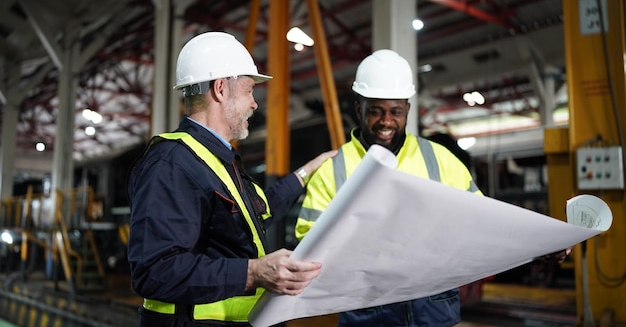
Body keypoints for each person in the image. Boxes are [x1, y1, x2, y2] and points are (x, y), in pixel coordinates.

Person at [295, 49, 570, 327]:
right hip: (368, 308)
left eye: (395, 112)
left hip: (433, 308)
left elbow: (485, 222)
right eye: (375, 111)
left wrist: (537, 246)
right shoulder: (333, 169)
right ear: (359, 110)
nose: (386, 121)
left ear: (408, 111)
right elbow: (309, 241)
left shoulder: (440, 159)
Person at [127, 31, 336, 327]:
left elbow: (255, 212)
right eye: (250, 90)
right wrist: (254, 272)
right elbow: (154, 271)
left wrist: (307, 172)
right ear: (221, 89)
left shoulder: (216, 160)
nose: (255, 104)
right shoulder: (172, 164)